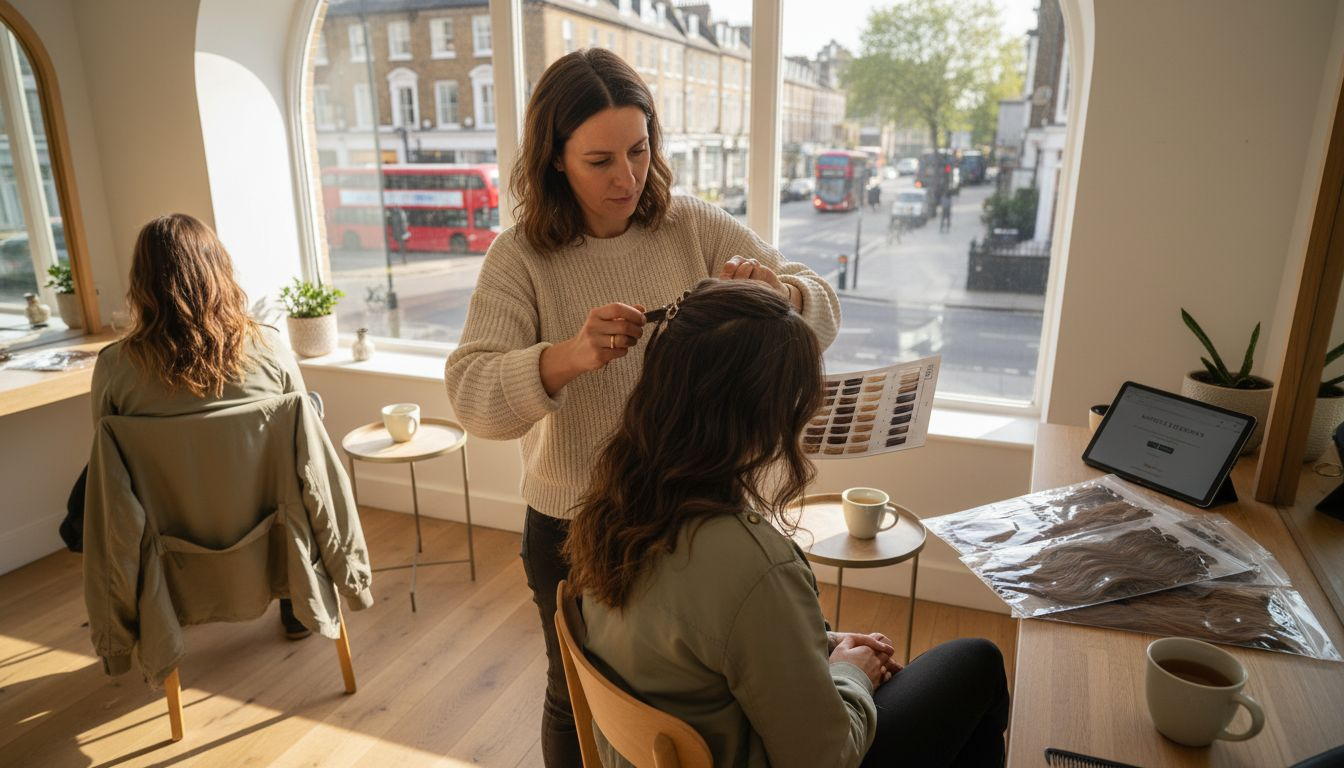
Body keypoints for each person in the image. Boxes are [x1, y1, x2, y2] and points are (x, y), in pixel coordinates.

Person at [444, 48, 841, 767]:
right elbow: (471, 398)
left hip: (693, 518)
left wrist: (782, 296)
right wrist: (567, 356)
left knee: (707, 693)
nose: (626, 176)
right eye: (599, 160)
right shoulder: (520, 258)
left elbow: (821, 312)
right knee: (576, 694)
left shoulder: (693, 225)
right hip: (571, 525)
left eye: (639, 149)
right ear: (554, 159)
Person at [565, 279, 1010, 768]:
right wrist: (851, 674)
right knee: (976, 662)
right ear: (759, 418)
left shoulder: (613, 503)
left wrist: (825, 645)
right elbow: (826, 757)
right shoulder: (753, 568)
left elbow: (712, 641)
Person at [88, 213, 316, 640]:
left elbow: (107, 462)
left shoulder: (115, 366)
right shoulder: (269, 348)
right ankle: (294, 601)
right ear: (220, 273)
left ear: (142, 282)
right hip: (266, 527)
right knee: (306, 421)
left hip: (171, 541)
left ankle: (154, 613)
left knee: (92, 485)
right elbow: (308, 454)